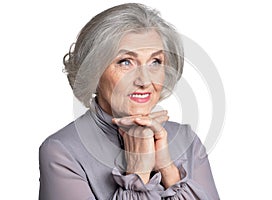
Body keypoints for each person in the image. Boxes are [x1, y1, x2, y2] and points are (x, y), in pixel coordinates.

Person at [38, 3, 219, 200]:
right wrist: (138, 173)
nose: (144, 80)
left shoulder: (187, 141)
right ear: (93, 71)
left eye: (155, 62)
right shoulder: (61, 151)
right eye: (125, 62)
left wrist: (169, 171)